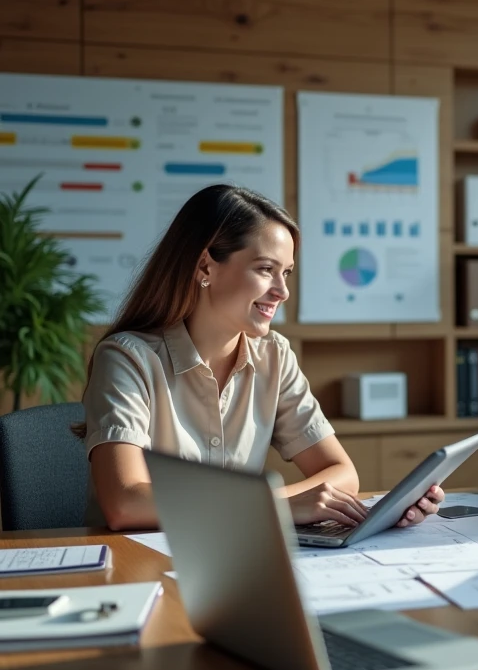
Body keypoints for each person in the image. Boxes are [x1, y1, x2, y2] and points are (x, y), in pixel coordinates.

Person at [79, 184, 443, 531]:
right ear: (205, 267)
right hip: (138, 564)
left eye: (286, 273)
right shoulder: (128, 359)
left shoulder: (274, 356)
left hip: (239, 553)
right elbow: (125, 503)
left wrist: (274, 506)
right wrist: (275, 506)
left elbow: (342, 473)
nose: (282, 291)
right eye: (266, 269)